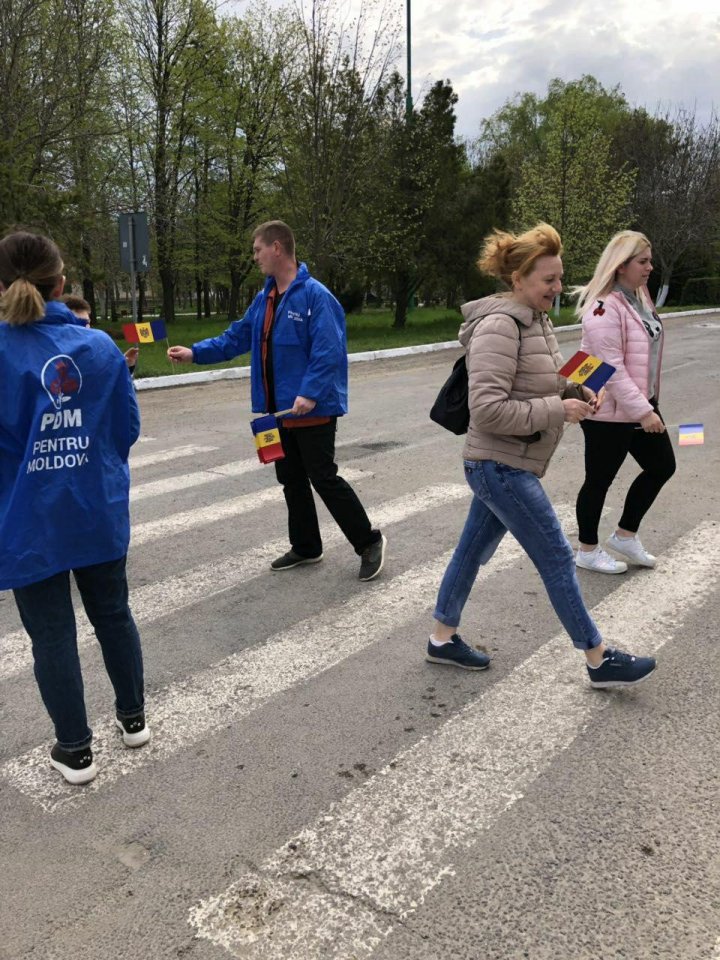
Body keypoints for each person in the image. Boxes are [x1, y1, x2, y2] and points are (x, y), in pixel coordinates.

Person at [426, 223, 656, 689]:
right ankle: (598, 659)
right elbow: (486, 410)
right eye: (548, 280)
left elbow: (545, 376)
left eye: (559, 277)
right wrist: (559, 408)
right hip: (499, 466)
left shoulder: (536, 319)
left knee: (470, 553)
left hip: (506, 462)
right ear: (518, 279)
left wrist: (576, 388)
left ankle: (441, 639)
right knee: (556, 556)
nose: (558, 287)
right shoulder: (500, 326)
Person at [0, 231, 149, 786]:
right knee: (113, 615)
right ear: (61, 284)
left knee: (52, 636)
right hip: (94, 509)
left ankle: (75, 751)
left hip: (28, 521)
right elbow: (126, 430)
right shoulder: (101, 348)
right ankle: (133, 720)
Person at [168, 220, 386, 581]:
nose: (255, 257)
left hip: (311, 409)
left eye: (257, 250)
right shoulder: (265, 298)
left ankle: (369, 542)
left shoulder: (316, 296)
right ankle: (306, 546)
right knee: (291, 478)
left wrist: (310, 393)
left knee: (323, 477)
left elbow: (328, 351)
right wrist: (195, 353)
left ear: (277, 248)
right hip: (278, 411)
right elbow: (236, 337)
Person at [573, 231, 676, 574]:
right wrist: (644, 412)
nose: (650, 267)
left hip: (637, 402)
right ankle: (587, 550)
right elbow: (610, 368)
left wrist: (646, 404)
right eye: (642, 261)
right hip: (607, 410)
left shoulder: (639, 298)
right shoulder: (603, 307)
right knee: (599, 480)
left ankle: (625, 535)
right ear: (620, 265)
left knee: (662, 466)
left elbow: (631, 354)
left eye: (650, 261)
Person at [61, 293, 140, 373]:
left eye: (87, 323)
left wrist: (125, 366)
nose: (87, 328)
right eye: (79, 324)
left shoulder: (98, 350)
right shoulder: (57, 357)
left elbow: (106, 377)